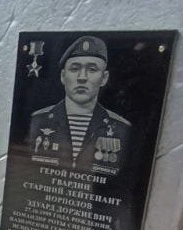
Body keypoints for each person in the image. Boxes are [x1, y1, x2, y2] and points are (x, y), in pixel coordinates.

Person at [25, 35, 131, 174]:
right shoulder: (39, 120)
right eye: (74, 69)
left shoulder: (120, 128)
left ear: (104, 78)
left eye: (92, 69)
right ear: (63, 76)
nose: (82, 77)